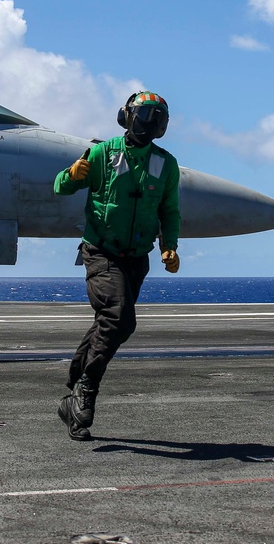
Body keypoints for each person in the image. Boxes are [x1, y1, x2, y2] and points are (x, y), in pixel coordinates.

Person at [53, 91, 181, 441]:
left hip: (137, 258)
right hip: (102, 253)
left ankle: (74, 387)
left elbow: (169, 211)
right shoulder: (101, 153)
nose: (151, 122)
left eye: (158, 117)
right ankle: (84, 391)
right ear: (128, 117)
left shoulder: (164, 164)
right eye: (145, 115)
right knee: (119, 316)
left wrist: (169, 246)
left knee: (113, 324)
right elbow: (60, 186)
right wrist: (73, 173)